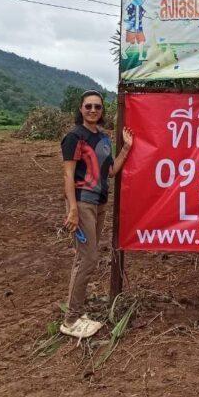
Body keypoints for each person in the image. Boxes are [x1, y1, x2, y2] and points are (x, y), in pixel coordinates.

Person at [59, 91, 134, 339]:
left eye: (98, 107)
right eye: (88, 106)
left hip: (100, 204)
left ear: (102, 111)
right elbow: (68, 175)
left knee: (87, 257)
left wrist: (126, 149)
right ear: (80, 109)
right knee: (87, 258)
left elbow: (110, 171)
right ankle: (71, 319)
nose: (93, 110)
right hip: (82, 204)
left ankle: (77, 313)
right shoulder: (74, 137)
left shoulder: (102, 138)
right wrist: (72, 209)